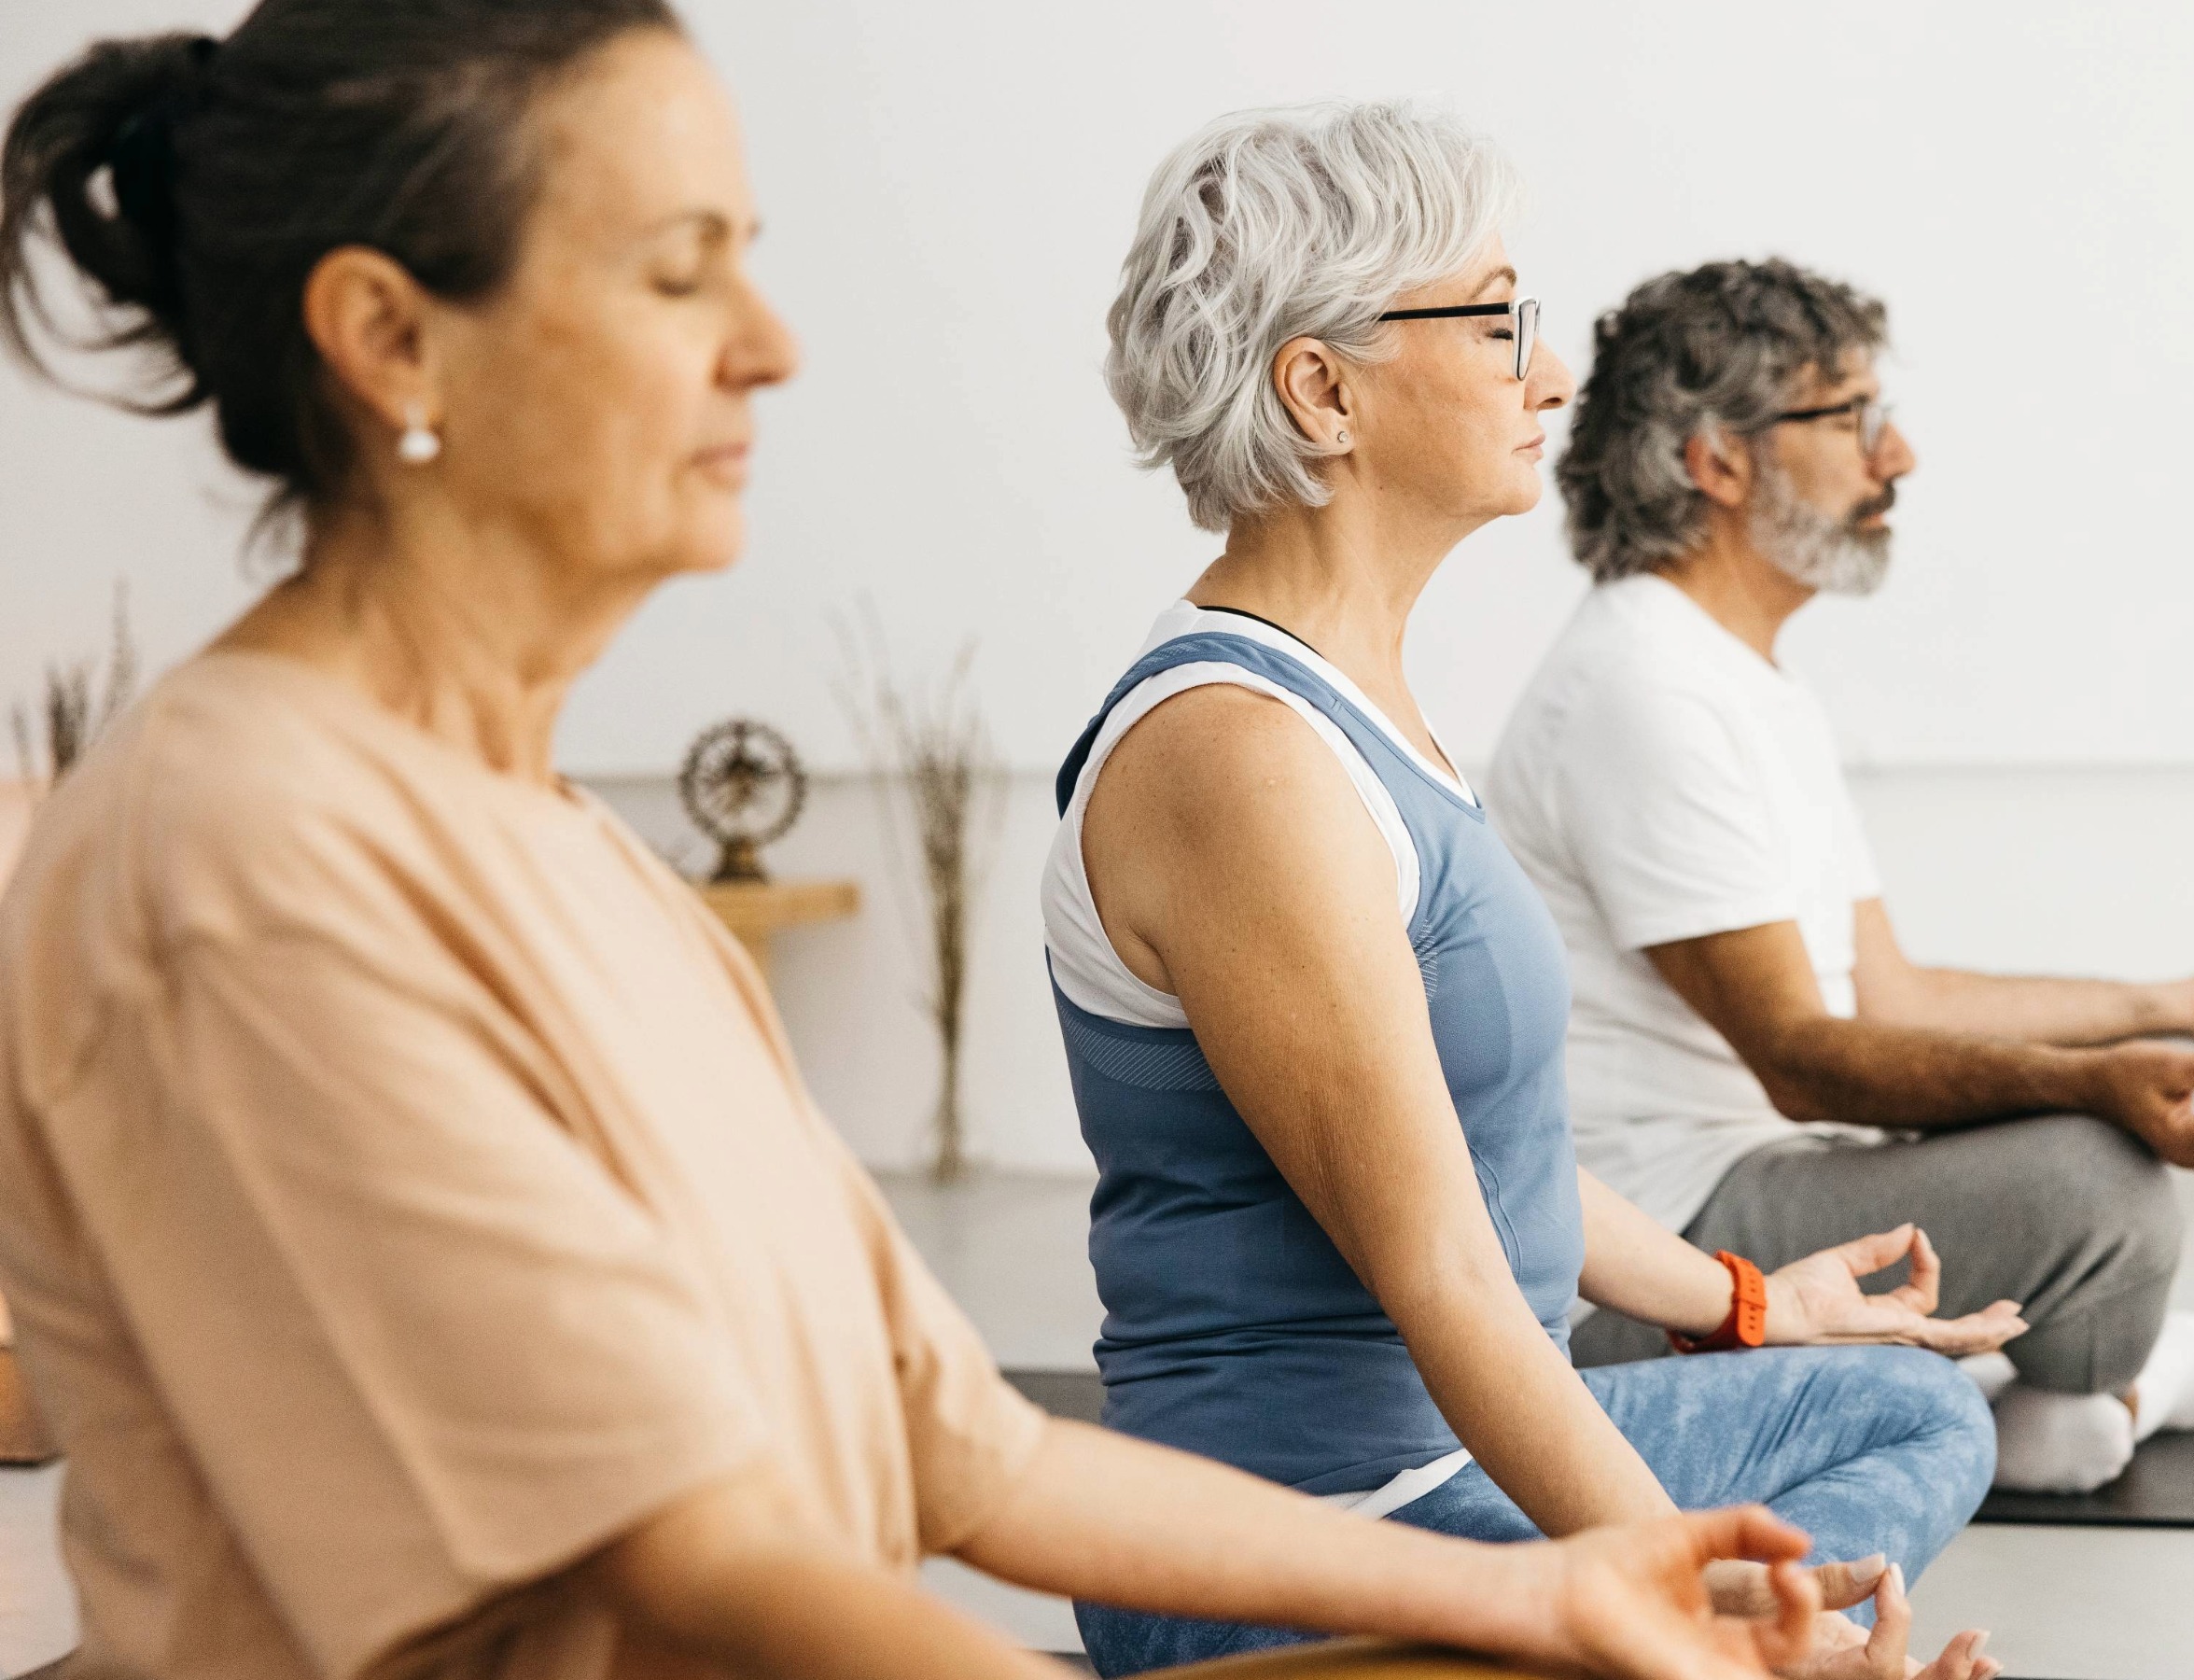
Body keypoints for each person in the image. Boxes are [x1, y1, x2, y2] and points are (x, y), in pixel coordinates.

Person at [0, 15, 1855, 1680]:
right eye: (675, 275)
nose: (770, 347)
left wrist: (1573, 1601)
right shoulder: (244, 868)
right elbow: (688, 1564)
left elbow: (964, 1450)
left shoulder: (573, 861)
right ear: (393, 339)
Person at [1053, 105, 2018, 1679]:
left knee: (1908, 1405)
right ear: (1323, 386)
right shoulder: (1239, 761)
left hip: (1455, 1472)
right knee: (1760, 1605)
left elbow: (1485, 1166)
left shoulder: (1350, 708)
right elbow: (1443, 1275)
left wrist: (1753, 1305)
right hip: (1300, 1546)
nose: (1551, 374)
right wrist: (1685, 1609)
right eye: (1500, 322)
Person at [1488, 259, 2194, 1494]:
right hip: (1650, 1261)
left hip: (1753, 1202)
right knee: (2097, 1185)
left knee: (2076, 1141)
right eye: (1847, 417)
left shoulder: (1741, 682)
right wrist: (2099, 1090)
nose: (1893, 453)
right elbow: (1802, 1058)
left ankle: (2017, 1401)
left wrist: (2168, 1006)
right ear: (1718, 461)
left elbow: (1887, 994)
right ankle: (2077, 1394)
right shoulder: (1644, 690)